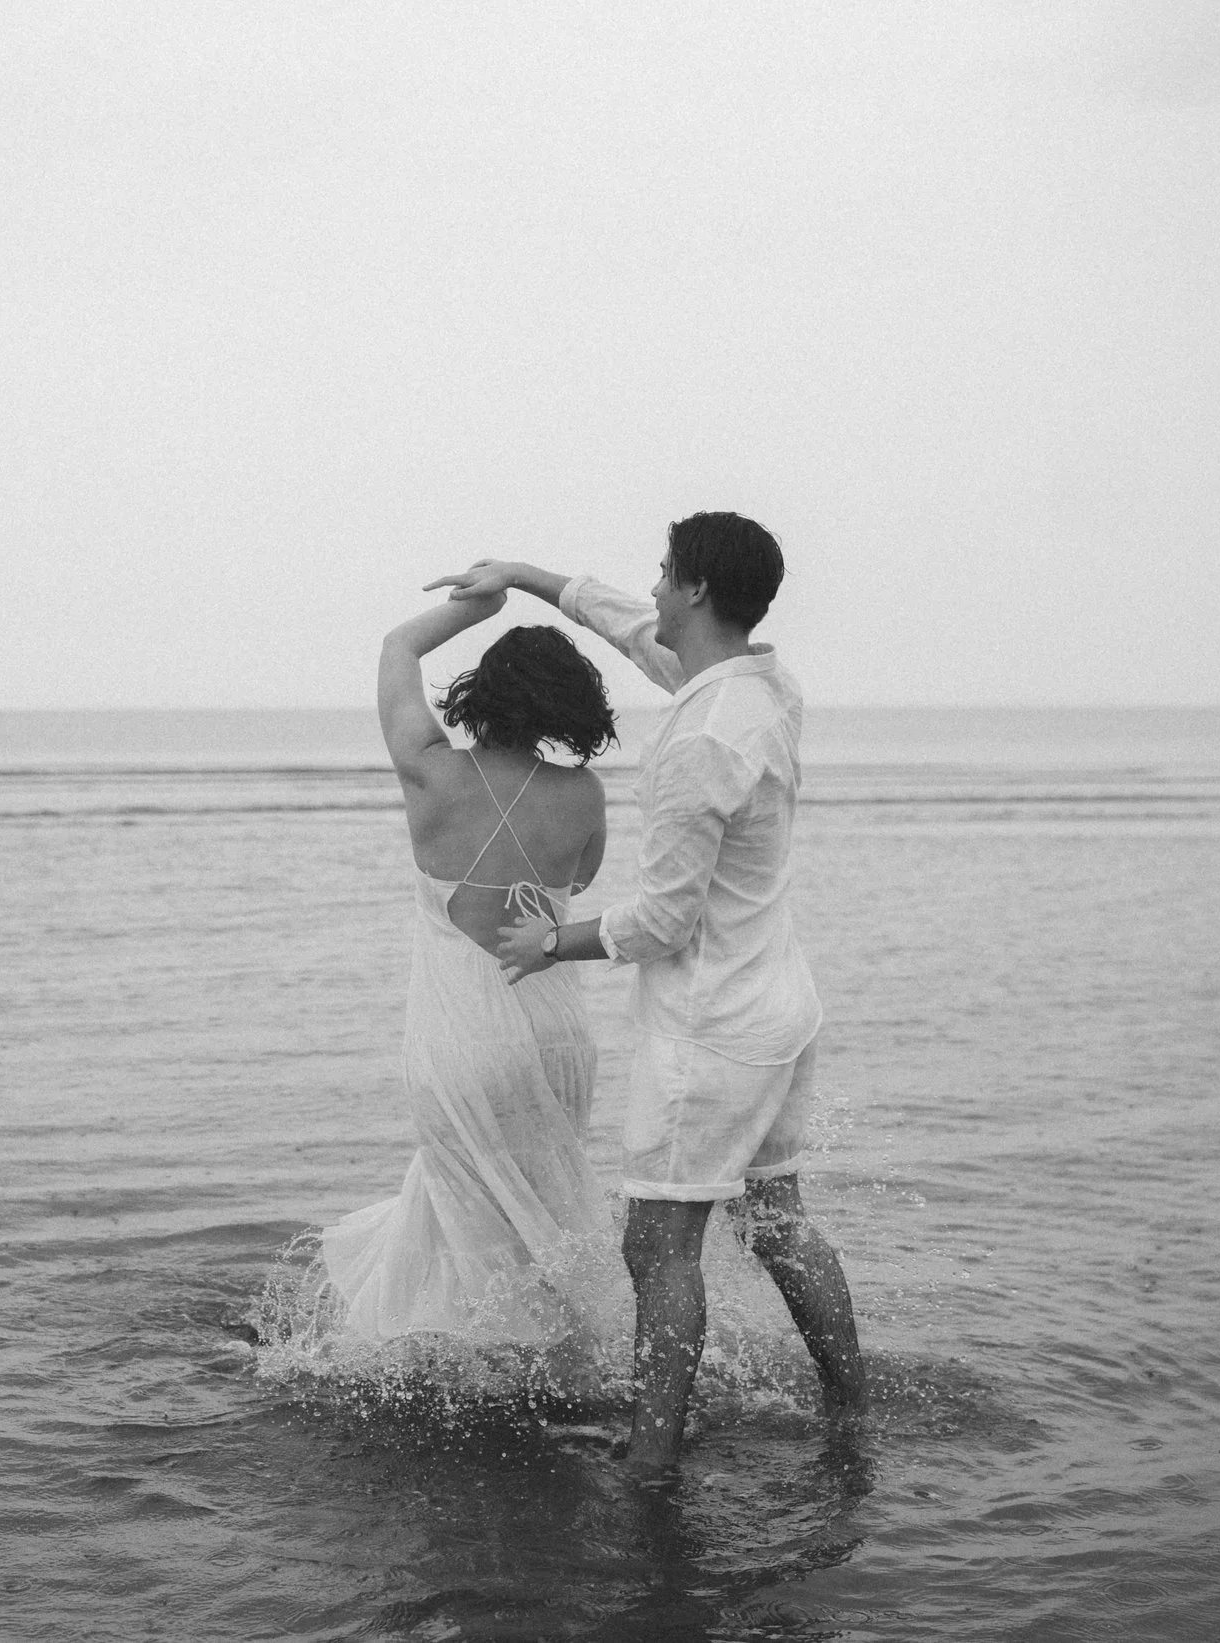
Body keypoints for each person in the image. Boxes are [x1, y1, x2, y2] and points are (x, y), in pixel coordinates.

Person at [429, 513, 867, 1482]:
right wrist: (528, 574)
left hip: (712, 1027)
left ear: (700, 591)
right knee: (778, 1220)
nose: (654, 587)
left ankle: (652, 1462)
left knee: (656, 1245)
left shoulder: (700, 740)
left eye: (666, 572)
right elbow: (631, 624)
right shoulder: (760, 689)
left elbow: (662, 920)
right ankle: (851, 1410)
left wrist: (554, 941)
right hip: (779, 1003)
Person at [316, 587, 630, 1372]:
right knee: (548, 1207)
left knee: (471, 1213)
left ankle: (481, 1373)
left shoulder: (429, 774)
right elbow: (582, 882)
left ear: (482, 692)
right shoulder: (583, 795)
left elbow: (397, 647)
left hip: (460, 1038)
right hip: (553, 1035)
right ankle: (568, 1367)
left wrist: (479, 604)